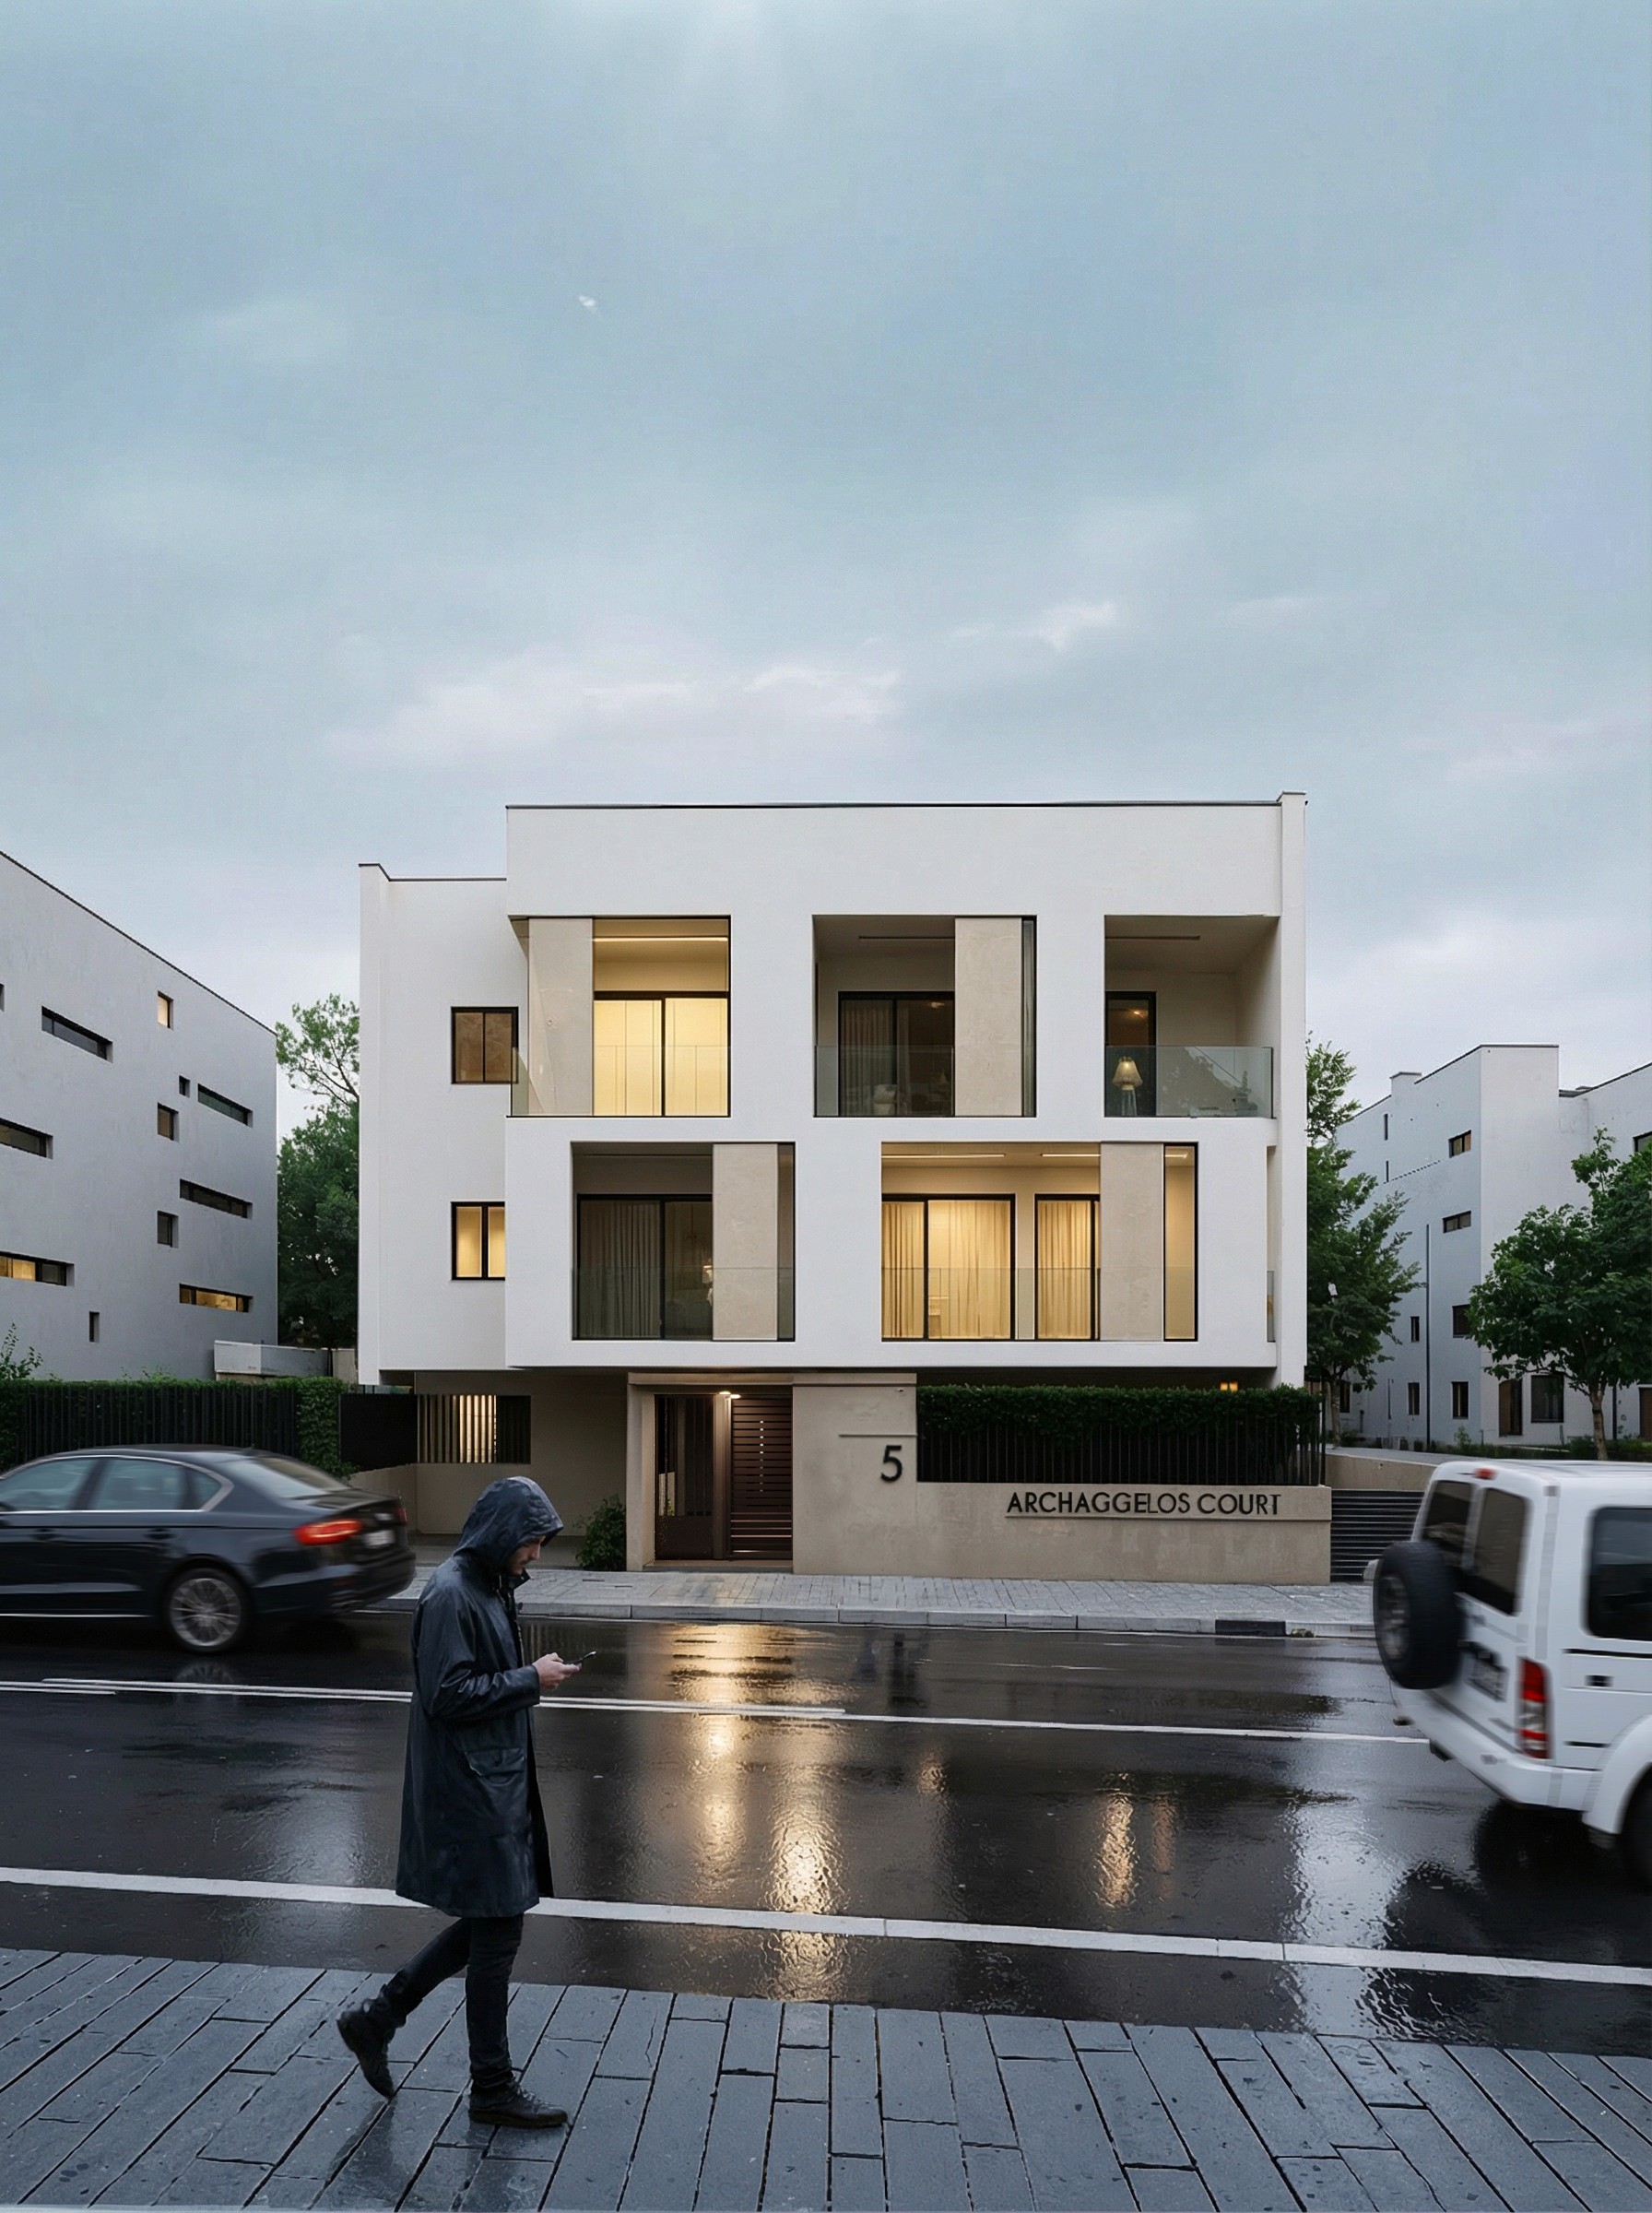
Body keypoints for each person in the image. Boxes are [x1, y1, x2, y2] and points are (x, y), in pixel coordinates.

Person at [337, 1474, 581, 2126]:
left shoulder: (485, 1584)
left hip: (487, 1782)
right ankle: (490, 2087)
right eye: (531, 1541)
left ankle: (378, 2018)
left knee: (488, 1925)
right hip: (471, 1788)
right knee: (497, 1930)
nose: (536, 1555)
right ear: (503, 1534)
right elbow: (447, 1697)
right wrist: (532, 1678)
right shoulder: (452, 1594)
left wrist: (527, 1676)